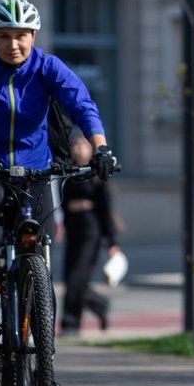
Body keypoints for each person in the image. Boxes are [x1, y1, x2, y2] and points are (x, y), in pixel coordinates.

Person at [0, 0, 118, 386]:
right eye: (4, 36)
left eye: (21, 36)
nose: (13, 44)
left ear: (33, 36)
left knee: (41, 260)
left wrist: (101, 147)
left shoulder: (48, 68)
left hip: (36, 171)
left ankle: (44, 371)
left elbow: (81, 104)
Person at [59, 134, 120, 336]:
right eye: (75, 145)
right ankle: (100, 304)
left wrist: (112, 241)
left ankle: (70, 323)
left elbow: (106, 209)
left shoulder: (96, 175)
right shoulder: (67, 173)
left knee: (78, 276)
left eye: (82, 146)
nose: (78, 149)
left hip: (90, 229)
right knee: (71, 277)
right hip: (73, 228)